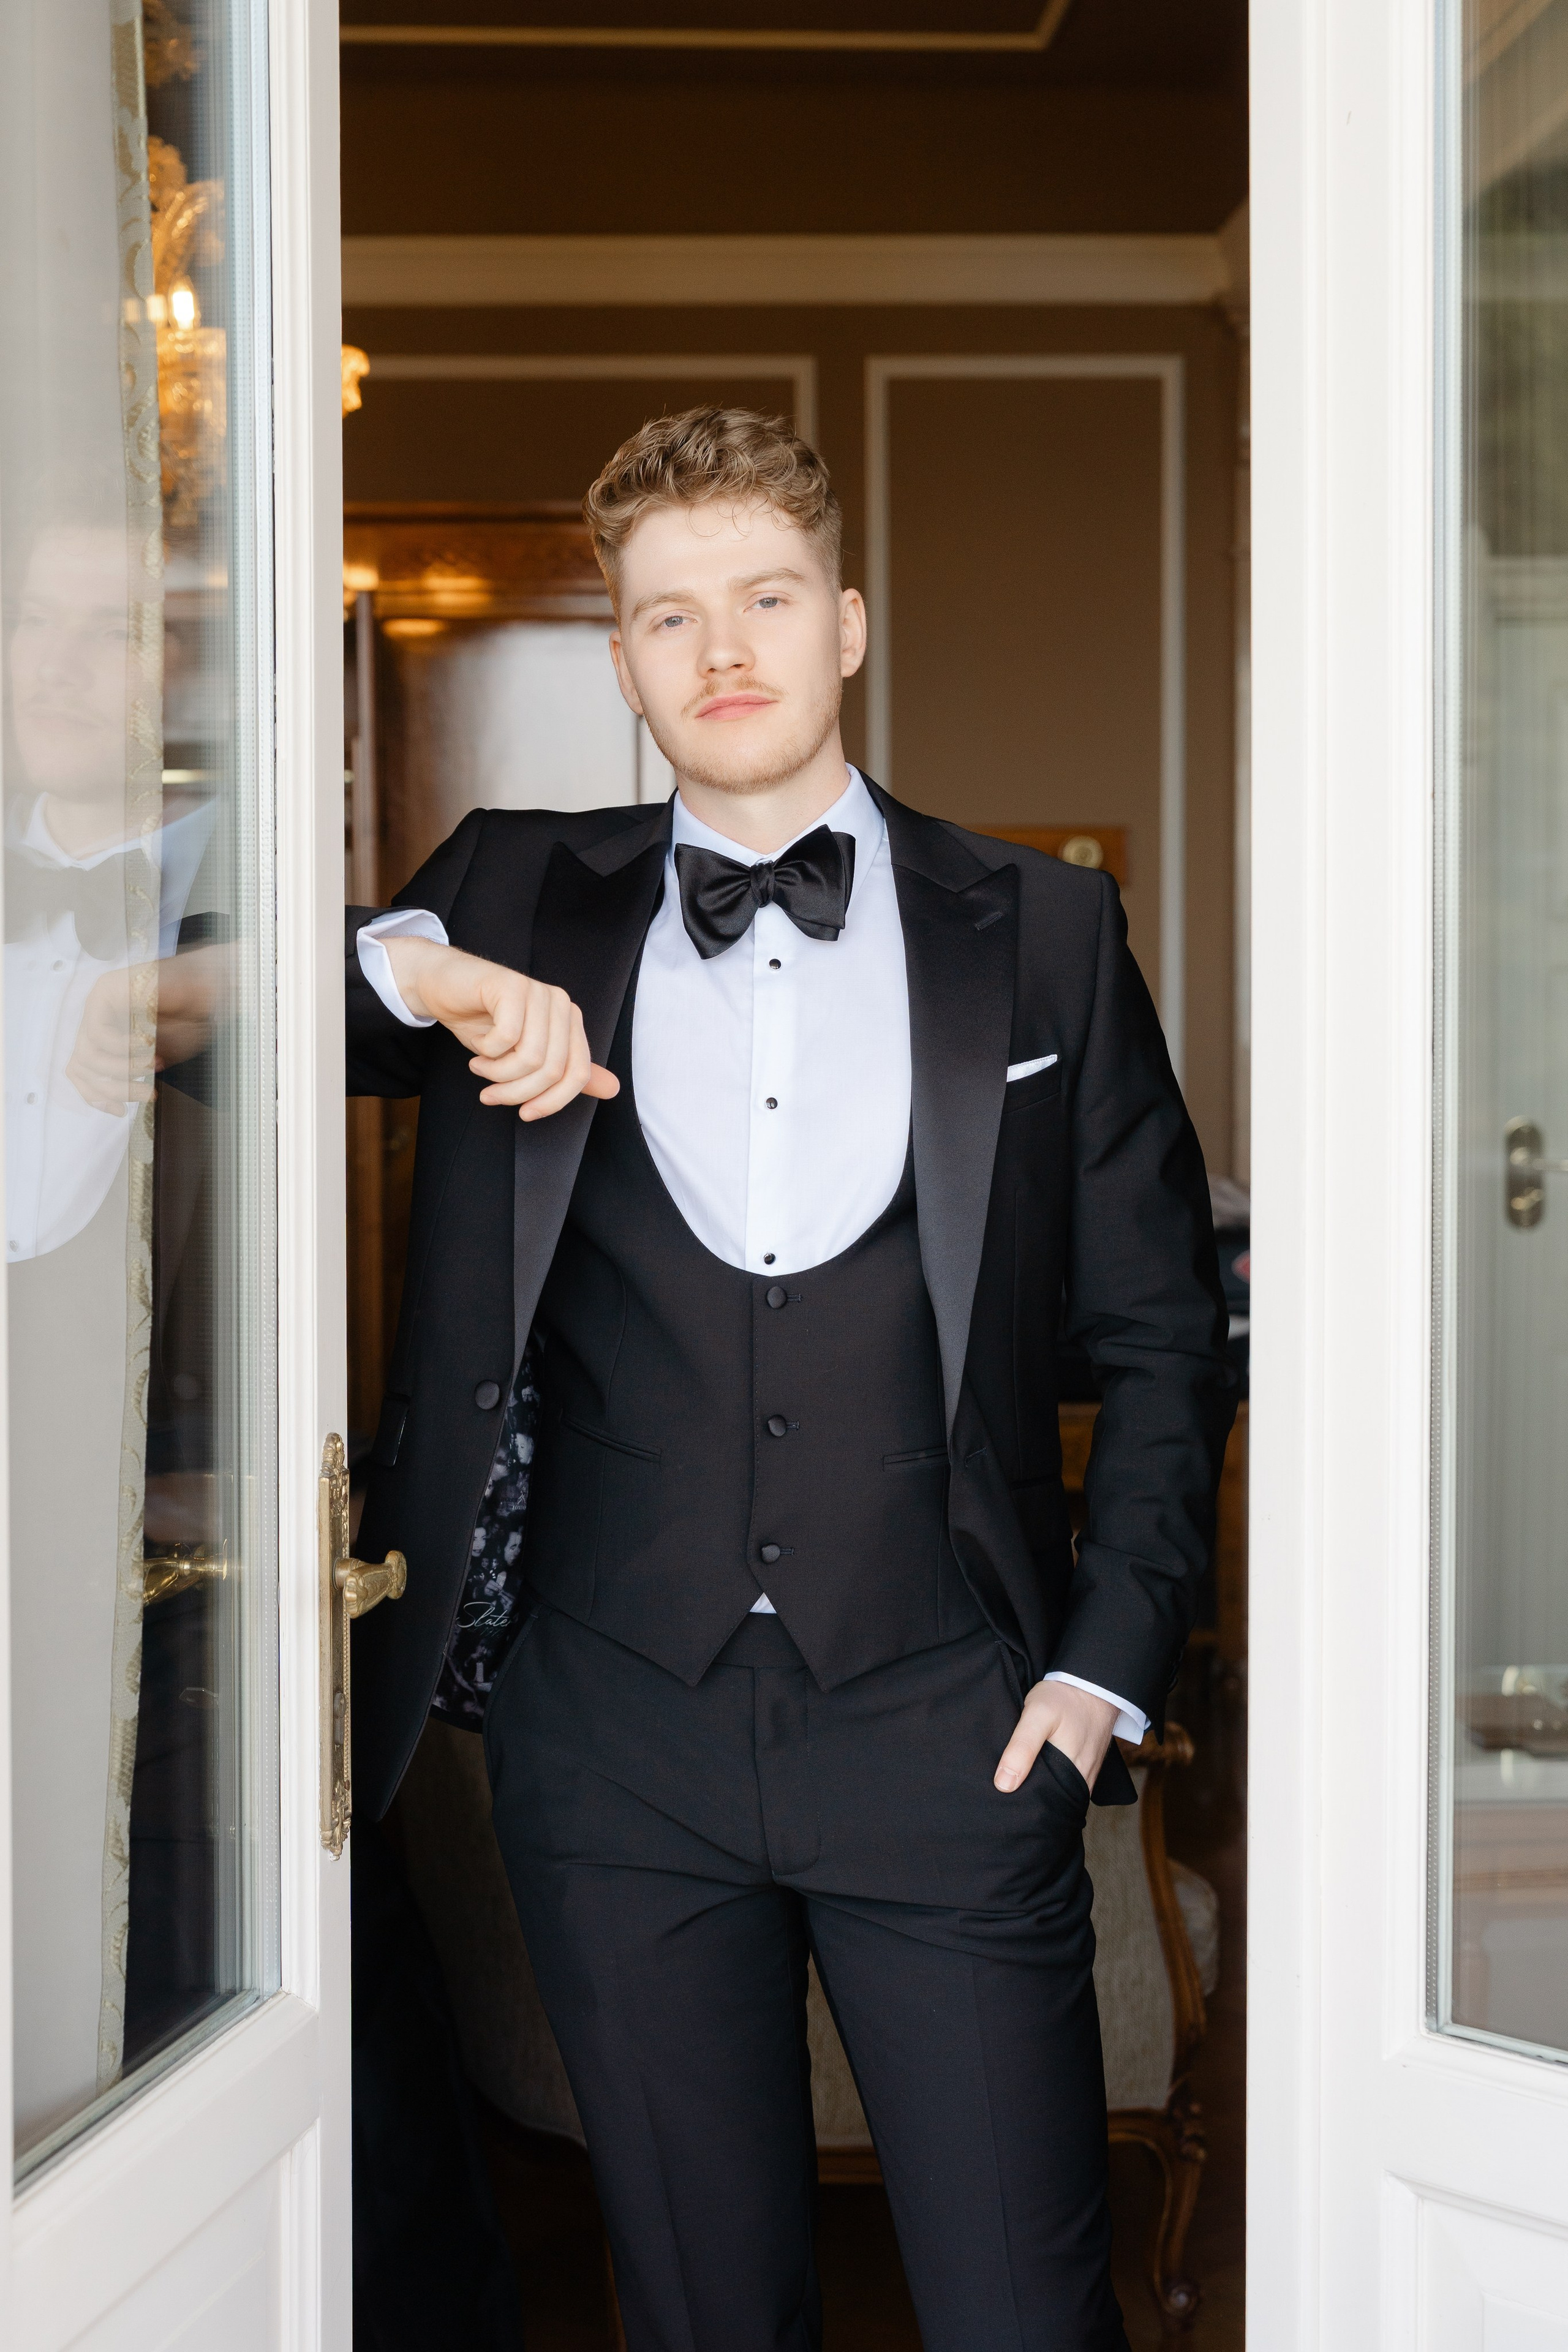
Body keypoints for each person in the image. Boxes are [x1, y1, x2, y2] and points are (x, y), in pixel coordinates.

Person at [345, 407, 1235, 2351]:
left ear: (846, 622)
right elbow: (247, 1000)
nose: (722, 648)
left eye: (763, 598)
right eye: (670, 616)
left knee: (1025, 2313)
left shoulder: (1048, 932)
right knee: (697, 2312)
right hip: (615, 1746)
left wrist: (1102, 1675)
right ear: (624, 664)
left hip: (953, 1726)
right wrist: (419, 975)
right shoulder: (510, 889)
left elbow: (1170, 1333)